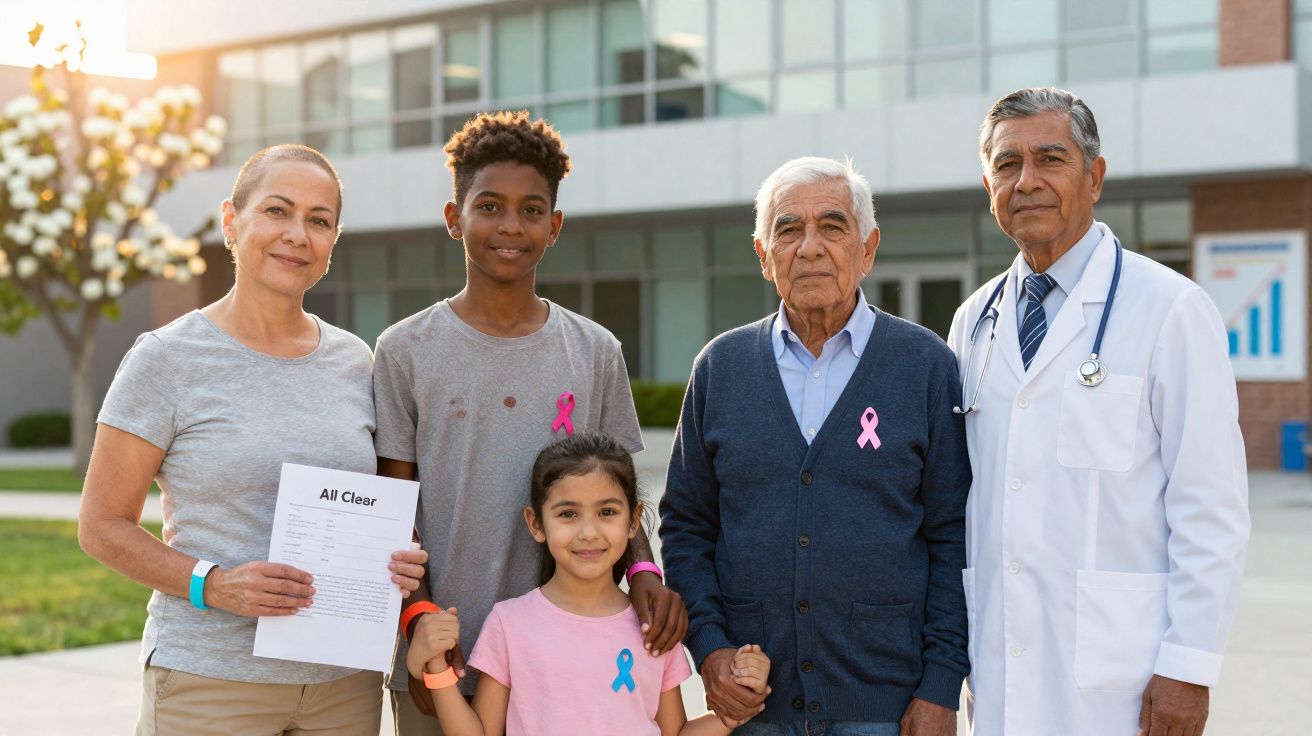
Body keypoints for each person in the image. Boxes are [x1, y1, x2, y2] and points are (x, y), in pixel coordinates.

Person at [78, 144, 429, 735]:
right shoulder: (167, 359)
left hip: (343, 684)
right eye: (277, 210)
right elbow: (102, 526)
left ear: (332, 245)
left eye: (318, 221)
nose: (297, 234)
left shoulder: (354, 360)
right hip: (212, 681)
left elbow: (369, 504)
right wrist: (214, 585)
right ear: (230, 221)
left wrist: (395, 553)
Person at [372, 111, 688, 733]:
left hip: (571, 662)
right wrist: (419, 624)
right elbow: (393, 512)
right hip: (447, 654)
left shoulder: (595, 350)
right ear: (453, 217)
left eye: (531, 209)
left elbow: (623, 490)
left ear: (555, 225)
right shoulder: (404, 349)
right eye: (489, 206)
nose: (510, 226)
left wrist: (645, 570)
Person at [949, 87, 1250, 736]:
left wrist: (1189, 666)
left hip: (1125, 681)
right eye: (1007, 165)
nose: (1026, 181)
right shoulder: (974, 322)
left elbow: (1211, 508)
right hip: (998, 668)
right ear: (987, 184)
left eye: (1049, 159)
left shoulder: (1169, 309)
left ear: (1095, 177)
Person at [660, 156, 971, 735]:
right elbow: (685, 527)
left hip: (889, 708)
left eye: (832, 226)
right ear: (762, 254)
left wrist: (941, 686)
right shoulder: (720, 368)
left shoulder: (926, 366)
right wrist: (709, 647)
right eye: (787, 229)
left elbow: (954, 537)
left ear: (868, 248)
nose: (809, 247)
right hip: (753, 708)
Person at [406, 432, 771, 735]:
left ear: (634, 521)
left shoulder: (654, 629)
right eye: (567, 514)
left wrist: (731, 711)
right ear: (536, 523)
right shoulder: (509, 625)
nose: (588, 532)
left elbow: (673, 733)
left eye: (607, 512)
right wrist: (437, 667)